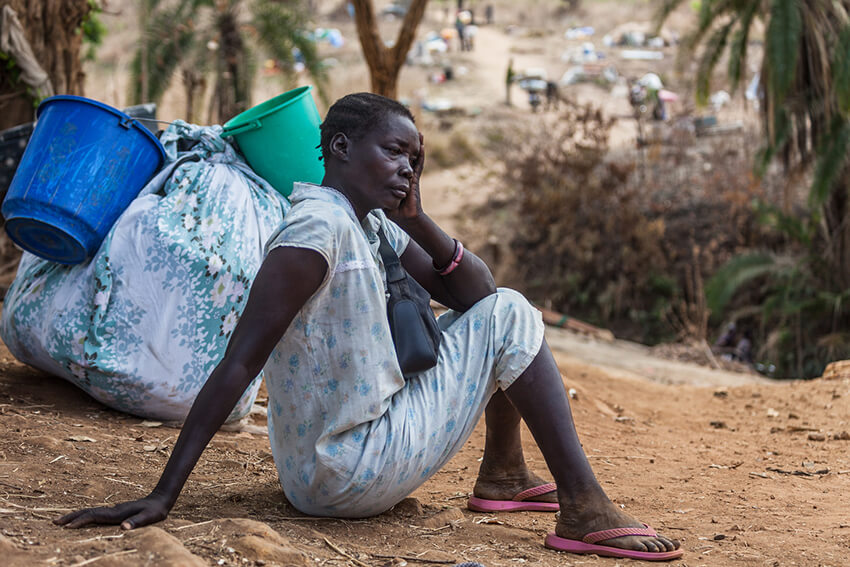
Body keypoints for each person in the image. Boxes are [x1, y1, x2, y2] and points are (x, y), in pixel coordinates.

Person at [55, 93, 683, 562]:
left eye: (416, 158)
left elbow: (472, 290)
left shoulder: (368, 223)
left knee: (497, 309)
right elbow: (238, 364)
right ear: (341, 148)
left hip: (331, 469)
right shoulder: (314, 233)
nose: (408, 168)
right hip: (351, 470)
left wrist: (418, 216)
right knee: (512, 317)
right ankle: (583, 505)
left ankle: (505, 476)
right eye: (394, 151)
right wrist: (165, 495)